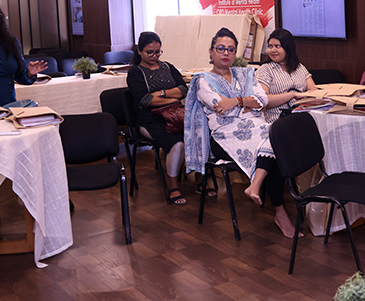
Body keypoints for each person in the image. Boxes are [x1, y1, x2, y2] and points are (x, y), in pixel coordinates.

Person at [184, 27, 297, 238]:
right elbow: (220, 107)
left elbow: (262, 99)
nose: (225, 53)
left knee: (274, 139)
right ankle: (279, 212)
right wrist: (247, 103)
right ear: (211, 51)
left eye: (230, 49)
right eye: (220, 48)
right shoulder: (202, 80)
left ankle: (257, 188)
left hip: (257, 128)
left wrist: (236, 101)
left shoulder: (245, 74)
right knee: (273, 144)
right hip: (224, 135)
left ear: (235, 53)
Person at [127, 31, 189, 205]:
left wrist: (161, 94)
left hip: (174, 115)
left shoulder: (167, 67)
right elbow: (145, 100)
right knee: (177, 143)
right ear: (139, 51)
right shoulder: (136, 72)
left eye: (158, 52)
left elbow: (183, 89)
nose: (154, 56)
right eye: (150, 52)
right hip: (150, 120)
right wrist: (172, 99)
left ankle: (200, 180)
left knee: (197, 134)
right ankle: (173, 187)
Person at [256, 28, 317, 123]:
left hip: (301, 116)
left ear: (288, 48)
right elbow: (264, 100)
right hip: (277, 120)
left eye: (277, 46)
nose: (273, 50)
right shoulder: (265, 69)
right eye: (270, 46)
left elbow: (314, 92)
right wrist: (292, 95)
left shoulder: (300, 67)